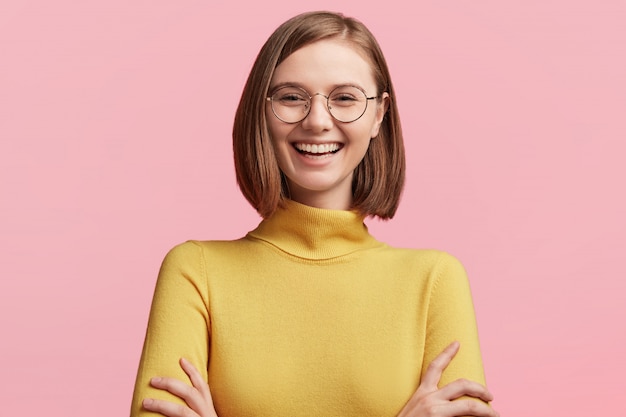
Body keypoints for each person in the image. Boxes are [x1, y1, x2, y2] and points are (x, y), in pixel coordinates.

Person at [130, 11, 498, 417]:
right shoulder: (196, 271)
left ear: (379, 115)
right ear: (262, 111)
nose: (318, 121)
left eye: (345, 98)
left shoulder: (434, 281)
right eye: (291, 97)